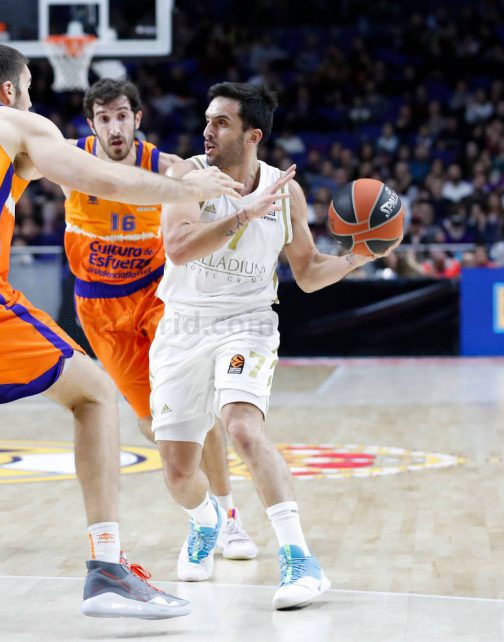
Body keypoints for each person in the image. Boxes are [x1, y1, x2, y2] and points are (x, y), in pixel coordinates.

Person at [0, 44, 242, 626]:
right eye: (29, 85)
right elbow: (99, 177)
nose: (32, 96)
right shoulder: (14, 121)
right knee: (94, 394)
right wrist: (190, 190)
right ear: (9, 90)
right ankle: (107, 570)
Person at [150, 83, 400, 608]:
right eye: (207, 120)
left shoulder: (285, 192)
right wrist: (243, 211)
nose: (207, 130)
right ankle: (206, 521)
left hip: (248, 321)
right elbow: (177, 249)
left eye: (221, 122)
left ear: (252, 134)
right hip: (183, 326)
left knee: (242, 425)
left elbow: (307, 273)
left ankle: (300, 560)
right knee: (177, 470)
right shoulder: (185, 177)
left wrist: (363, 255)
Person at [63, 78, 257, 564]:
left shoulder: (169, 169)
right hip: (101, 312)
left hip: (158, 297)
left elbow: (220, 185)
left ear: (137, 119)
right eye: (104, 118)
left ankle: (230, 518)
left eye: (122, 115)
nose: (114, 126)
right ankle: (203, 512)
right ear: (91, 125)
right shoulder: (70, 161)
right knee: (157, 427)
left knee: (194, 409)